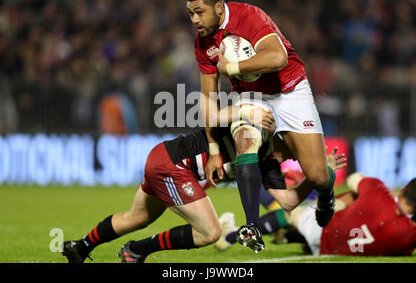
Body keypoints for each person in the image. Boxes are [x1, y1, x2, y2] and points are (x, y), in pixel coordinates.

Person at [187, 0, 336, 251]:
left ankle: (326, 196)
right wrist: (213, 149)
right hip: (249, 96)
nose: (195, 20)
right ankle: (251, 225)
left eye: (199, 12)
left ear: (219, 8)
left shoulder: (249, 16)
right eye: (190, 14)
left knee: (317, 175)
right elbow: (208, 98)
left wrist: (231, 66)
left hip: (290, 91)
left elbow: (277, 57)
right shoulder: (202, 43)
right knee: (245, 139)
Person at [61, 106, 287, 263]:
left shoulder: (267, 162)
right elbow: (215, 115)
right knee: (210, 232)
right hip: (172, 165)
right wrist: (248, 112)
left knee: (136, 218)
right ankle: (136, 250)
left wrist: (320, 181)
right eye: (297, 152)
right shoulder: (261, 122)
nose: (294, 159)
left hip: (165, 159)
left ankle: (80, 247)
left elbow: (287, 201)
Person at [217, 172, 416, 256]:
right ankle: (285, 237)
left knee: (287, 212)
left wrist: (385, 191)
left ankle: (229, 237)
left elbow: (354, 179)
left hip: (323, 231)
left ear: (405, 187)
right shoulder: (410, 235)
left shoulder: (378, 192)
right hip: (329, 249)